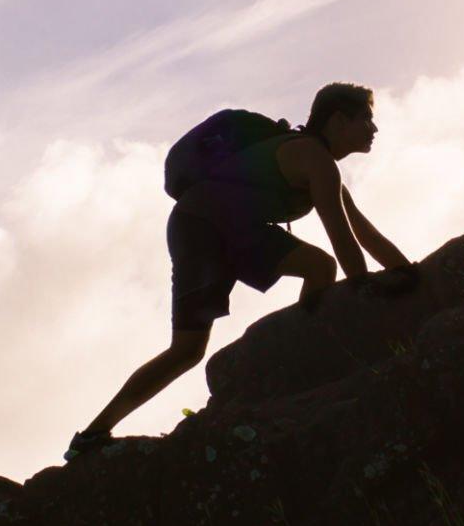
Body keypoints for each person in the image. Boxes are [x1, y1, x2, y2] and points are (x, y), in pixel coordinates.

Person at [65, 82, 414, 459]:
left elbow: (364, 233)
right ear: (339, 120)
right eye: (367, 119)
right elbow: (342, 236)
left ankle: (91, 436)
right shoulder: (315, 160)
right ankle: (94, 434)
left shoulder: (319, 164)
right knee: (314, 270)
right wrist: (363, 289)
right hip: (206, 227)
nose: (374, 129)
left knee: (188, 349)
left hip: (204, 226)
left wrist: (408, 272)